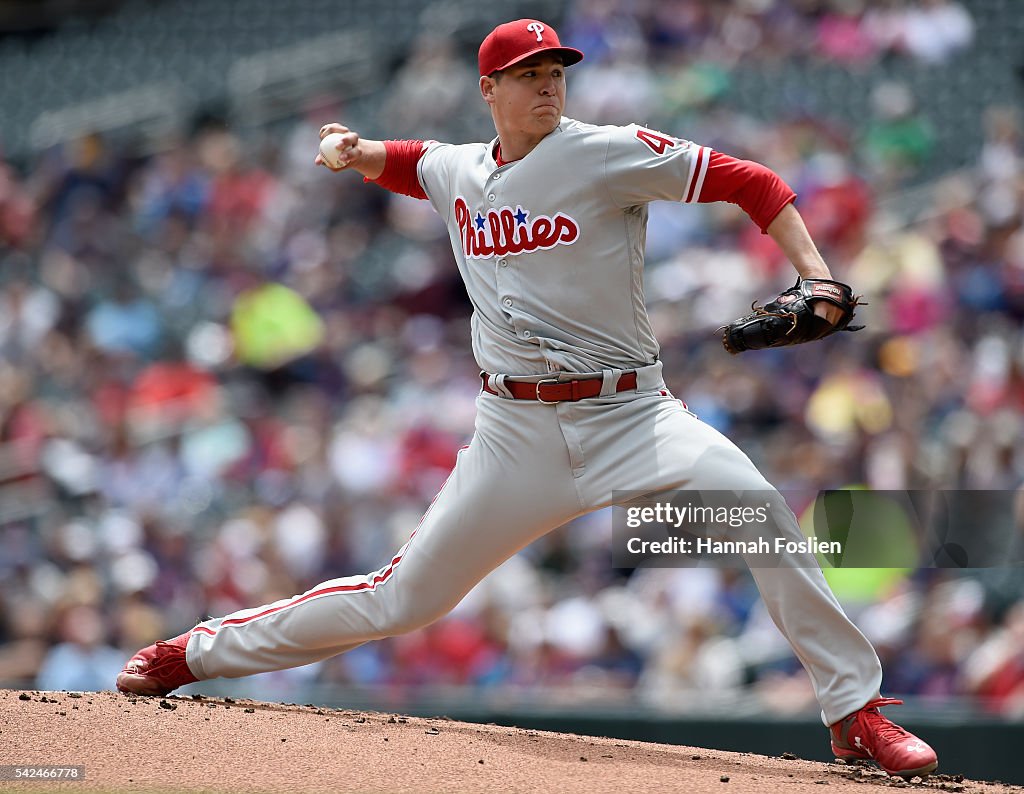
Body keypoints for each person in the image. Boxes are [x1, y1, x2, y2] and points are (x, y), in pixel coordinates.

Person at [116, 19, 938, 779]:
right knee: (404, 599)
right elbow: (414, 163)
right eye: (528, 74)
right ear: (490, 90)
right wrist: (355, 148)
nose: (549, 85)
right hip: (515, 433)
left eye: (556, 72)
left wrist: (817, 273)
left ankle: (855, 714)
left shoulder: (603, 151)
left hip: (631, 416)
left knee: (761, 517)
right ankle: (194, 653)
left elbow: (751, 182)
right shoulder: (462, 168)